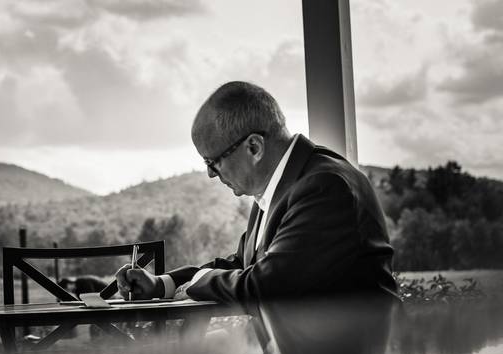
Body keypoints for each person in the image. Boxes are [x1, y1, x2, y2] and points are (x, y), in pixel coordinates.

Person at [116, 81, 398, 304]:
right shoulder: (279, 186)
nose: (211, 174)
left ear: (253, 147)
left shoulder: (325, 186)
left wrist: (200, 281)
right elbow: (241, 265)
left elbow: (267, 286)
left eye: (213, 161)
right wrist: (162, 284)